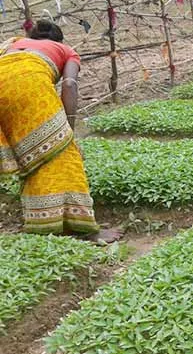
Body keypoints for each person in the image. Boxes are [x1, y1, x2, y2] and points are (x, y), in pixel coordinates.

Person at [0, 20, 120, 242]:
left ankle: (43, 222)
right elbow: (69, 85)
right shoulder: (67, 51)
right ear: (58, 40)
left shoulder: (13, 43)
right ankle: (84, 229)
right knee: (64, 154)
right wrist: (69, 130)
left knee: (33, 156)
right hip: (29, 86)